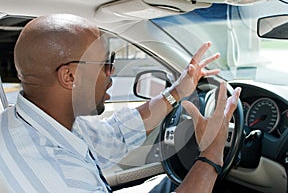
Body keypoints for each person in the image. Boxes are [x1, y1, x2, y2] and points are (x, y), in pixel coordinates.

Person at [0, 14, 241, 193]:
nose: (111, 71)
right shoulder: (59, 177)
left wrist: (177, 91)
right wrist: (212, 153)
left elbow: (116, 136)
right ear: (69, 77)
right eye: (105, 64)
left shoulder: (40, 120)